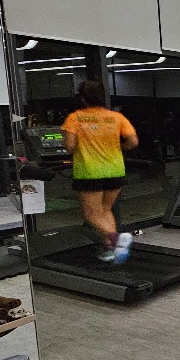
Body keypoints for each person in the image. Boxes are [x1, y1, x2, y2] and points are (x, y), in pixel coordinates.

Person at [61, 80, 139, 265]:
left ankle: (116, 239)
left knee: (90, 215)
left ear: (82, 98)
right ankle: (111, 250)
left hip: (89, 172)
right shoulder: (117, 117)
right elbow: (133, 142)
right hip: (115, 170)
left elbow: (70, 146)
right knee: (104, 210)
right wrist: (119, 148)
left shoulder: (75, 118)